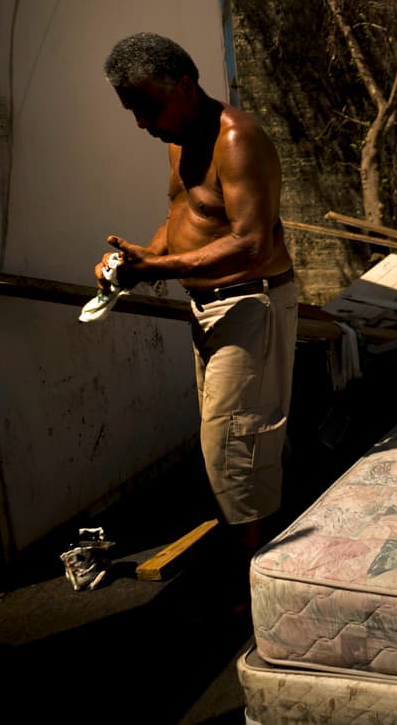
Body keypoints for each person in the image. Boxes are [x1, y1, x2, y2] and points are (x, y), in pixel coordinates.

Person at [97, 32, 298, 557]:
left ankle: (254, 582)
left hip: (249, 304)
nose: (142, 122)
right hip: (208, 309)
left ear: (184, 87)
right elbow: (182, 219)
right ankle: (261, 561)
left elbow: (251, 242)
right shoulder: (178, 137)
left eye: (147, 106)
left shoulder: (237, 139)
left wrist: (157, 267)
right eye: (132, 111)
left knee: (235, 446)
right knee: (237, 442)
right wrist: (135, 259)